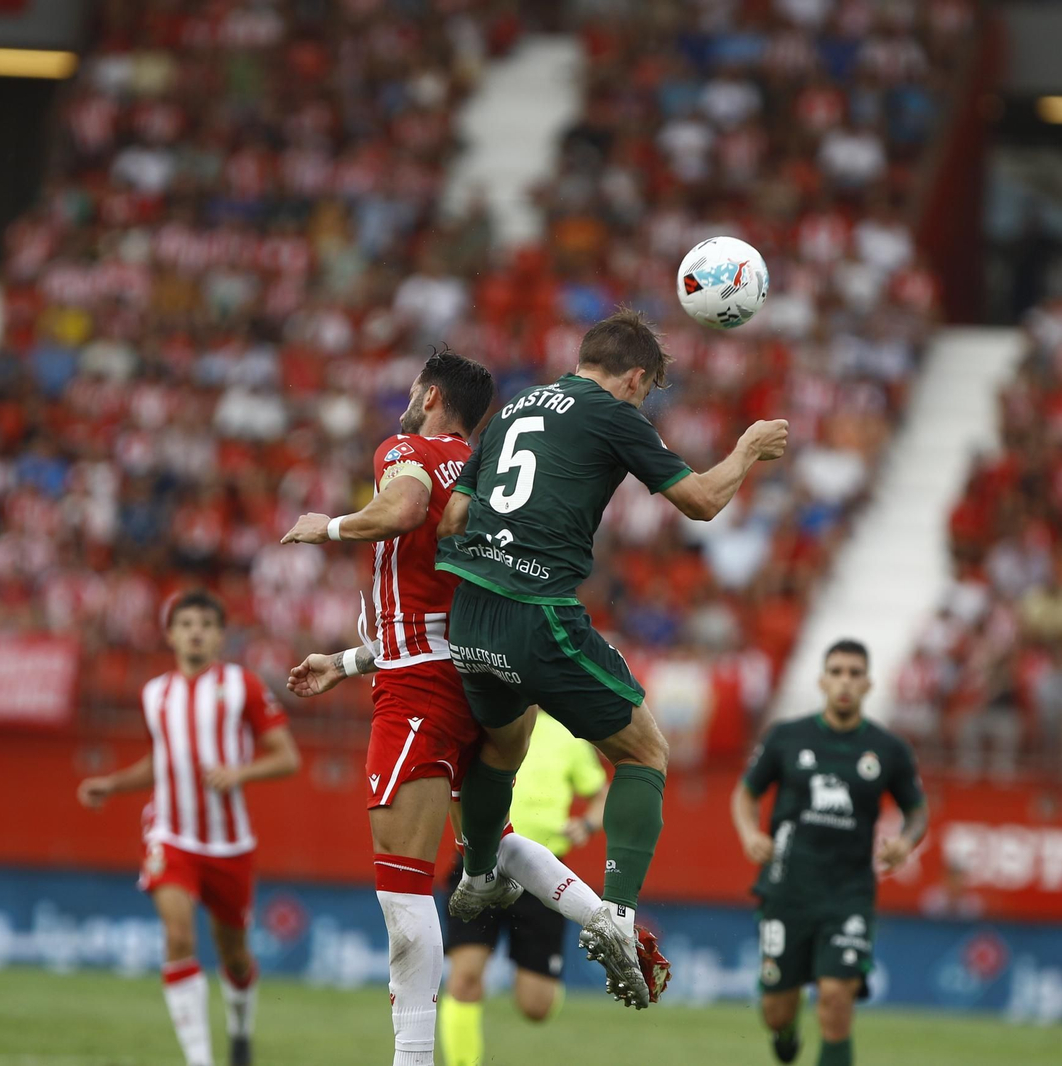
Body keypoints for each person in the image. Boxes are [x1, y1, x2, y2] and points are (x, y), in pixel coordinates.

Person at [280, 347, 658, 1066]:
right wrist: (349, 661)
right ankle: (608, 919)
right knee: (490, 838)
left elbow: (405, 507)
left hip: (421, 686)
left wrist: (327, 527)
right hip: (479, 668)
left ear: (427, 394)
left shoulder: (407, 449)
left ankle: (412, 1061)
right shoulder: (482, 468)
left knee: (403, 888)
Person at [435, 308, 789, 1007]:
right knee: (642, 750)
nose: (644, 401)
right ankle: (619, 917)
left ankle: (478, 872)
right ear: (634, 376)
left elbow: (452, 515)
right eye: (648, 389)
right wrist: (748, 449)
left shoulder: (514, 409)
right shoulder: (612, 411)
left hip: (469, 612)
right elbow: (701, 503)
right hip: (536, 611)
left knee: (503, 749)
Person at [77, 589, 300, 1066]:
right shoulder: (155, 693)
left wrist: (239, 773)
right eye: (185, 623)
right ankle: (199, 1061)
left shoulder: (243, 685)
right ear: (170, 634)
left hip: (229, 841)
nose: (195, 631)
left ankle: (240, 1032)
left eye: (205, 624)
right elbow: (164, 759)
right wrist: (112, 785)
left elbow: (287, 756)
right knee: (179, 937)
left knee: (235, 956)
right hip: (170, 833)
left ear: (220, 635)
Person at [730, 639, 929, 1066]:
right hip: (787, 890)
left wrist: (906, 842)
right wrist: (750, 833)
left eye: (855, 673)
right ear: (822, 680)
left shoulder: (888, 750)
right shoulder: (786, 737)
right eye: (837, 671)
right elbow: (746, 795)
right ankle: (785, 1034)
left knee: (837, 999)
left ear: (869, 684)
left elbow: (916, 811)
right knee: (776, 1011)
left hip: (848, 895)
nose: (845, 681)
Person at [439, 710, 609, 1066]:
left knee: (536, 1006)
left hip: (542, 877)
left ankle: (544, 978)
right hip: (481, 862)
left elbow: (601, 792)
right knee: (466, 976)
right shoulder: (486, 718)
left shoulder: (569, 735)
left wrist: (589, 824)